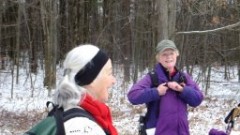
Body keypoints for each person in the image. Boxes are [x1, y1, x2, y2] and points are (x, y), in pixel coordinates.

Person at [127, 39, 204, 135]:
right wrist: (156, 92)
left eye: (171, 53)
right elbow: (133, 96)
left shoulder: (183, 77)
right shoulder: (152, 77)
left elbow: (198, 99)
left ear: (177, 54)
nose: (169, 57)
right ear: (158, 57)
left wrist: (182, 90)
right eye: (164, 54)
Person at [54, 44, 118, 135]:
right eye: (109, 73)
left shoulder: (63, 111)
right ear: (91, 79)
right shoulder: (83, 128)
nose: (114, 80)